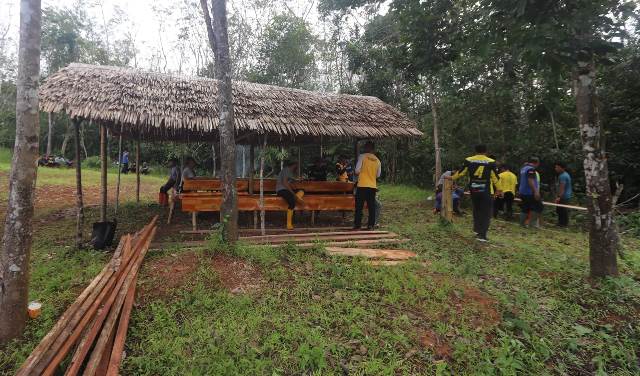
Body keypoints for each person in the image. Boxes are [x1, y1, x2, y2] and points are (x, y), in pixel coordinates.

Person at [448, 145, 500, 242]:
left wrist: (451, 178)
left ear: (475, 151)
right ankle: (482, 235)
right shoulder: (491, 162)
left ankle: (477, 230)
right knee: (486, 212)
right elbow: (495, 177)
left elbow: (461, 172)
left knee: (477, 209)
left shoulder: (469, 160)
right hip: (486, 189)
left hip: (474, 188)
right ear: (485, 151)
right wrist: (499, 189)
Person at [354, 142, 381, 230]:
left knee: (359, 206)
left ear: (366, 148)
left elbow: (357, 171)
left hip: (362, 185)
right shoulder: (377, 160)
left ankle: (357, 225)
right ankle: (370, 225)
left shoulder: (362, 156)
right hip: (372, 186)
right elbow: (378, 175)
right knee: (371, 207)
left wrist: (363, 171)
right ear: (373, 149)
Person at [277, 161, 305, 230]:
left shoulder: (291, 172)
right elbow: (285, 183)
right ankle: (289, 224)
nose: (297, 167)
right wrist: (293, 193)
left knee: (302, 190)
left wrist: (297, 182)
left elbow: (291, 183)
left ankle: (297, 198)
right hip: (281, 190)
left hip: (286, 189)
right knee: (292, 202)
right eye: (297, 166)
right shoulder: (286, 170)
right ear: (294, 165)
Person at [518, 157, 543, 228]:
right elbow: (530, 180)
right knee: (539, 207)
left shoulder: (523, 168)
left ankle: (522, 224)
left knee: (525, 207)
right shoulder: (531, 169)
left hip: (522, 191)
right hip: (529, 192)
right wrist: (535, 191)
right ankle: (532, 224)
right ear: (537, 163)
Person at [554, 162, 573, 227]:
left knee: (562, 211)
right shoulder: (563, 175)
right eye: (555, 167)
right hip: (564, 196)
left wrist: (559, 197)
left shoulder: (563, 176)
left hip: (564, 196)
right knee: (560, 210)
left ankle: (563, 224)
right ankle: (560, 223)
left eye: (557, 167)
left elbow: (562, 187)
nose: (556, 168)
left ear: (562, 168)